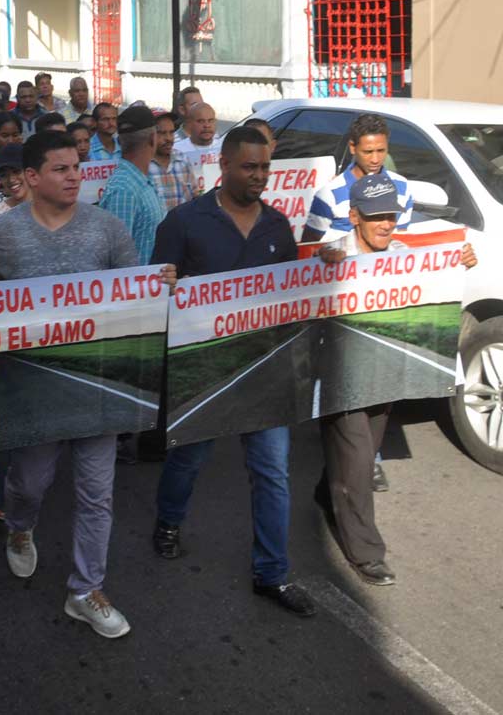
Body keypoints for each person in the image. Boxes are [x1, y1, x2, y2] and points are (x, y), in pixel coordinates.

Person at [0, 131, 170, 641]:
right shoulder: (2, 235)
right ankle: (19, 527)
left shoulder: (106, 229)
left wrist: (158, 284)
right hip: (34, 391)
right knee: (30, 483)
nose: (74, 175)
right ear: (31, 178)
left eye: (76, 166)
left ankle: (86, 590)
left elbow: (135, 292)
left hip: (97, 387)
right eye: (60, 169)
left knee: (96, 494)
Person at [150, 126, 316, 618]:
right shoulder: (184, 222)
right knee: (188, 461)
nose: (260, 177)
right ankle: (169, 521)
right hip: (204, 373)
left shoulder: (278, 226)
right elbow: (156, 293)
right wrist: (167, 285)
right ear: (223, 165)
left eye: (265, 167)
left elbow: (291, 295)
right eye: (250, 167)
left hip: (264, 373)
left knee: (272, 473)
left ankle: (272, 572)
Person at [311, 176, 476, 585]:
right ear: (354, 218)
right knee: (360, 462)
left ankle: (326, 491)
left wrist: (460, 260)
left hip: (383, 377)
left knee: (358, 455)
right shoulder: (332, 256)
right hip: (342, 380)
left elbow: (434, 281)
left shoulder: (403, 254)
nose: (386, 224)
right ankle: (366, 553)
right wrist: (320, 266)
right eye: (375, 217)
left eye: (390, 216)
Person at [301, 113, 413, 243]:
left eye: (381, 151)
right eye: (368, 152)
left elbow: (401, 239)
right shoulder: (328, 195)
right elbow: (309, 249)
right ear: (353, 148)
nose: (375, 160)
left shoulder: (403, 187)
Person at [98, 106, 165, 265]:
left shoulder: (139, 180)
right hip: (137, 289)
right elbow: (116, 259)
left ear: (120, 141)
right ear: (152, 139)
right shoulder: (124, 190)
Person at [148, 110, 195, 212]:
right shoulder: (142, 165)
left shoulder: (183, 160)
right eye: (162, 133)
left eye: (171, 132)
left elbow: (194, 196)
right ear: (149, 134)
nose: (169, 138)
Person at [172, 101, 220, 194]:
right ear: (189, 123)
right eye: (201, 121)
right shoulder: (176, 150)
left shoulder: (225, 148)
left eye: (210, 120)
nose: (207, 125)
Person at [0, 144, 29, 222]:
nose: (11, 180)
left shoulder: (49, 206)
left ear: (30, 172)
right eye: (4, 175)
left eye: (16, 171)